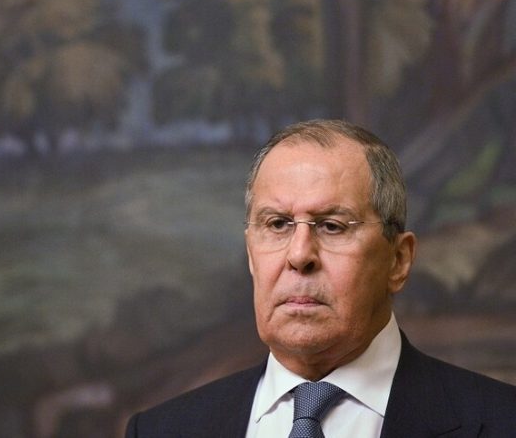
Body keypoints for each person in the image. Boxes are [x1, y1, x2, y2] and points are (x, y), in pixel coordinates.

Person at [125, 119, 516, 437]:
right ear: (251, 255)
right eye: (277, 224)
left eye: (332, 226)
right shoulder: (161, 431)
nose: (299, 256)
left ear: (398, 260)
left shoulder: (502, 423)